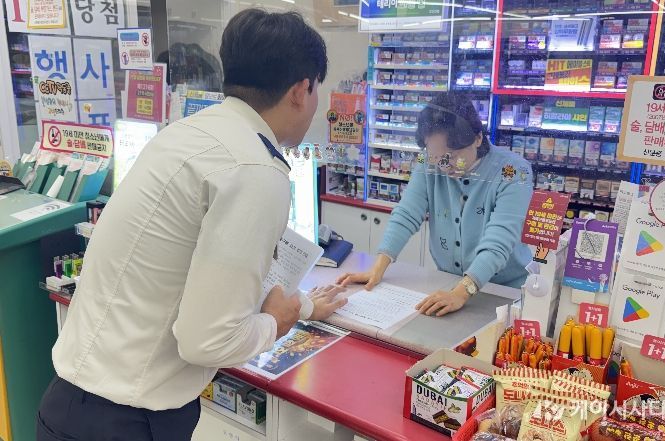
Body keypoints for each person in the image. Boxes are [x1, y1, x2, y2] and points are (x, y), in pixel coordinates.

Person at [37, 9, 346, 441]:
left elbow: (207, 272)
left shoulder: (188, 133)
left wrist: (305, 306)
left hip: (69, 405)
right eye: (316, 91)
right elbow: (208, 341)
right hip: (127, 421)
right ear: (301, 90)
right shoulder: (257, 169)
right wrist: (275, 323)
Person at [338, 93, 533, 317]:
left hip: (504, 292)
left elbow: (499, 240)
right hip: (450, 285)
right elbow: (407, 213)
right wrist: (378, 268)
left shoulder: (514, 171)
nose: (444, 166)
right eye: (436, 157)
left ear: (478, 138)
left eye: (453, 156)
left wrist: (463, 292)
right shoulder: (428, 163)